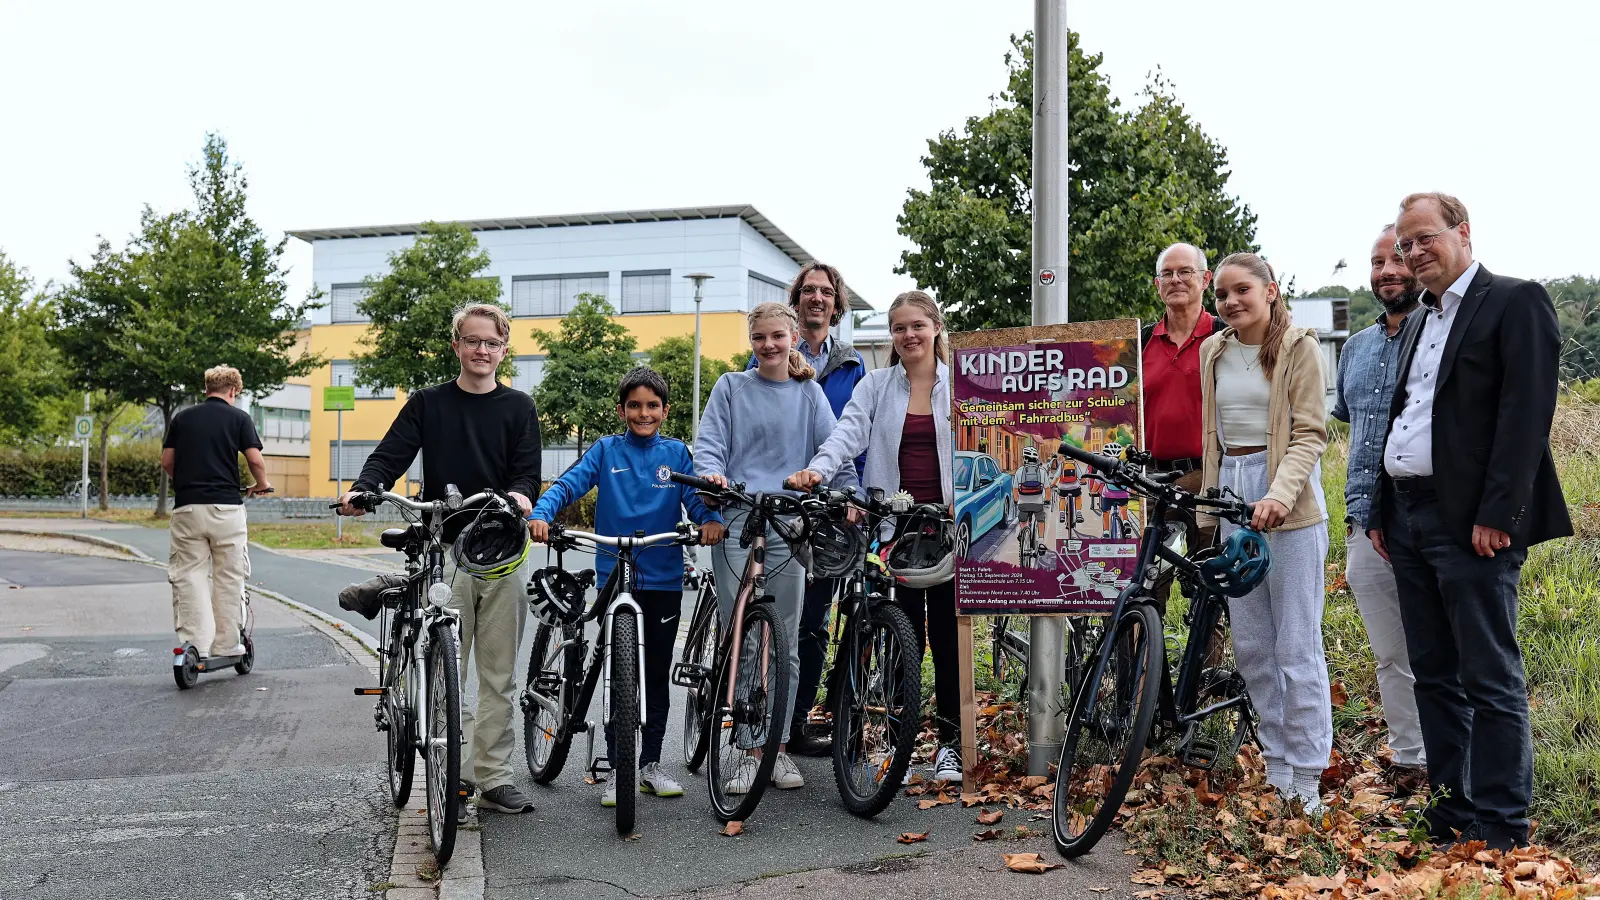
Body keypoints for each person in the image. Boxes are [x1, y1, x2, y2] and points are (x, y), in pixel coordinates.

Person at [1368, 193, 1570, 851]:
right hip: (1408, 517)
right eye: (1405, 244)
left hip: (1473, 525)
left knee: (1489, 676)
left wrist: (1500, 514)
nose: (1415, 252)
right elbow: (1404, 418)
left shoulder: (1515, 301)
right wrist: (1377, 509)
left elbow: (1525, 415)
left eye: (1425, 237)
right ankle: (1451, 810)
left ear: (1462, 232)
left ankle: (1503, 822)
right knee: (1434, 674)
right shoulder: (1421, 319)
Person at [337, 303, 541, 819]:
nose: (481, 351)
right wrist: (366, 487)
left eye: (491, 343)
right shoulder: (428, 404)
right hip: (445, 548)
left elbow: (526, 474)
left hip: (502, 550)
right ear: (456, 345)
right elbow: (390, 455)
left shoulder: (519, 407)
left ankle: (494, 776)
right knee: (450, 667)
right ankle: (458, 774)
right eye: (472, 341)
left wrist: (519, 497)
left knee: (498, 674)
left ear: (503, 348)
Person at [527, 368, 727, 807]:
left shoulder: (676, 454)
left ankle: (651, 764)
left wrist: (709, 521)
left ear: (665, 411)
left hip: (664, 577)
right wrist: (542, 514)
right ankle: (619, 767)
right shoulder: (605, 450)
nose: (643, 413)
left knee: (655, 673)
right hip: (615, 574)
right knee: (620, 673)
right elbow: (567, 484)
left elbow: (694, 500)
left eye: (652, 405)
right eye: (634, 405)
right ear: (621, 410)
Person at [787, 290, 960, 782]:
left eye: (917, 326)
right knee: (898, 638)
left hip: (947, 524)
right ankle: (900, 743)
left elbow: (984, 442)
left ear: (935, 329)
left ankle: (948, 743)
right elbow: (846, 434)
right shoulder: (878, 385)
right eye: (899, 328)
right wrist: (818, 471)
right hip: (893, 524)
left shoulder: (961, 384)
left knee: (948, 640)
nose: (908, 335)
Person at [695, 300, 851, 793]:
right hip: (741, 516)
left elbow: (833, 449)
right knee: (744, 633)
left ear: (792, 340)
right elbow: (710, 444)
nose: (768, 345)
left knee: (784, 638)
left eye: (777, 337)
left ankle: (778, 747)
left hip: (788, 522)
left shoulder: (808, 393)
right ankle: (745, 747)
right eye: (759, 338)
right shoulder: (729, 387)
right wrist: (711, 476)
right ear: (751, 341)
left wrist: (844, 495)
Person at [1198, 252, 1332, 812]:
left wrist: (1279, 492)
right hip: (1231, 491)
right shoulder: (1214, 351)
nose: (1230, 302)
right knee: (1252, 645)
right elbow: (1215, 436)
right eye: (1222, 293)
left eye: (1242, 290)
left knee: (1296, 644)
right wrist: (1211, 512)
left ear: (1270, 290)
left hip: (1290, 503)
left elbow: (1310, 432)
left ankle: (1308, 774)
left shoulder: (1300, 348)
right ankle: (1276, 764)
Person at [747, 262, 866, 756]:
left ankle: (792, 722)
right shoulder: (763, 354)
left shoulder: (853, 366)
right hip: (771, 503)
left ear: (836, 305)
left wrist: (850, 494)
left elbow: (857, 434)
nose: (817, 297)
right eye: (808, 291)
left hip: (826, 507)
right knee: (762, 616)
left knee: (811, 622)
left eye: (826, 292)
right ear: (797, 302)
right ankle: (751, 718)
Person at [1329, 225, 1426, 792]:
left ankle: (1452, 759)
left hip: (1425, 518)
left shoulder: (1439, 335)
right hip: (1365, 522)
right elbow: (1352, 427)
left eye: (1397, 259)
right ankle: (1411, 761)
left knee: (1438, 647)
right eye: (1376, 262)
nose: (1387, 271)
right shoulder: (1358, 348)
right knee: (1390, 653)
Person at [161, 364, 273, 659]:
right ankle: (226, 644)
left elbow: (167, 461)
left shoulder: (182, 419)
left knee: (189, 575)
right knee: (228, 576)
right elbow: (256, 461)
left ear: (207, 389)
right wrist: (261, 484)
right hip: (226, 509)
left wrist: (187, 483)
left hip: (187, 509)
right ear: (234, 391)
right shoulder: (239, 418)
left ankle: (196, 644)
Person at [1143, 243, 1225, 606]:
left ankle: (1205, 665)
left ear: (1205, 279)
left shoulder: (1226, 337)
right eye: (1167, 273)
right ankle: (1143, 664)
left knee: (1207, 590)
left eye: (1185, 271)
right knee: (1144, 587)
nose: (1175, 279)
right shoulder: (1138, 341)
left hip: (1207, 478)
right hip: (1149, 480)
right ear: (1157, 284)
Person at [1011, 446, 1048, 559]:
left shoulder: (1019, 471)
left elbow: (1015, 489)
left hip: (1023, 503)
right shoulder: (1042, 471)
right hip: (1038, 504)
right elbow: (1048, 488)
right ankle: (1041, 542)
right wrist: (1047, 500)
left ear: (1025, 459)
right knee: (1041, 520)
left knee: (1023, 520)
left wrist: (1017, 500)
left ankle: (1023, 533)